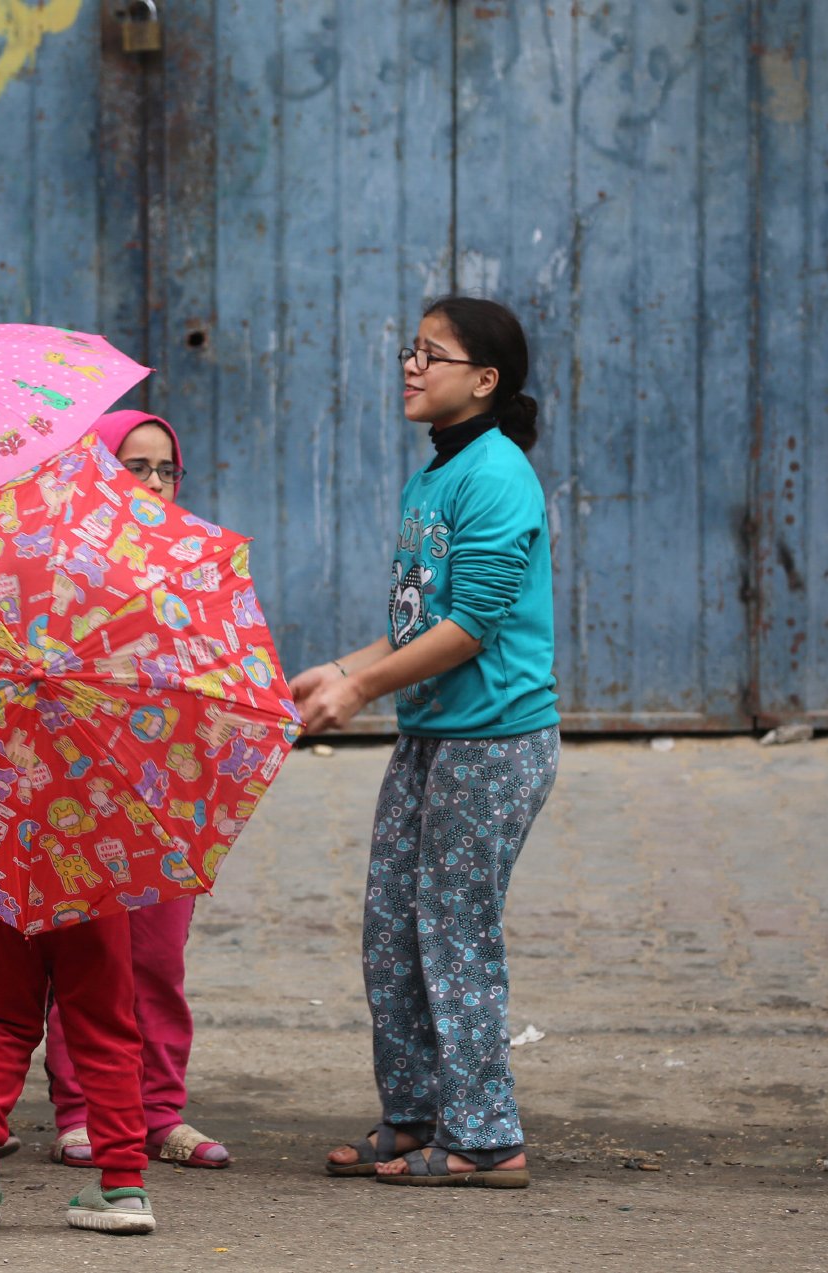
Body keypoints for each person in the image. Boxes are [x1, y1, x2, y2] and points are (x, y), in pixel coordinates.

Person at [295, 296, 560, 1189]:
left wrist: (361, 689)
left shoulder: (494, 475)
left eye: (432, 355)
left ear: (483, 381)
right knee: (390, 928)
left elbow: (474, 625)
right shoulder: (434, 475)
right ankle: (415, 1115)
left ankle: (487, 1138)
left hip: (495, 741)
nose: (411, 366)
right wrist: (336, 666)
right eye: (410, 350)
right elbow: (418, 623)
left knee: (453, 932)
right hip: (435, 735)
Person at [43, 410, 230, 1172]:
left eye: (164, 468)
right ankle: (82, 1108)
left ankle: (159, 1110)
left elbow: (227, 665)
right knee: (91, 961)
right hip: (84, 792)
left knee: (158, 958)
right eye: (134, 465)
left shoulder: (198, 562)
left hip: (170, 791)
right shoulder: (64, 561)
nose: (152, 482)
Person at [0, 848, 157, 1234]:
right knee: (106, 1034)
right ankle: (122, 1185)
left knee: (1, 1023)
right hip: (94, 891)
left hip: (4, 889)